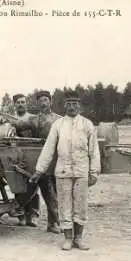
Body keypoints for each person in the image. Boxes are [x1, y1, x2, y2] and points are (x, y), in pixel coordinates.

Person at [30, 91, 100, 250]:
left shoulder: (87, 125)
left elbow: (94, 151)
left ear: (80, 105)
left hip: (82, 171)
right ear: (64, 105)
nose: (72, 107)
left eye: (75, 103)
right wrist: (39, 170)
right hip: (63, 171)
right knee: (65, 205)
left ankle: (79, 238)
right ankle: (68, 238)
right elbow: (48, 149)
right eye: (69, 104)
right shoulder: (58, 125)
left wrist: (94, 172)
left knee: (81, 205)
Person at [3, 91, 62, 233]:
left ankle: (52, 223)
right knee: (42, 190)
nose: (43, 103)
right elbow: (18, 124)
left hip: (56, 158)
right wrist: (4, 122)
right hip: (38, 159)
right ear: (37, 103)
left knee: (53, 192)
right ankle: (18, 211)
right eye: (41, 100)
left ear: (50, 102)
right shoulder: (35, 120)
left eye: (46, 100)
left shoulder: (59, 120)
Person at [10, 93, 40, 226]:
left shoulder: (32, 118)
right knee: (18, 184)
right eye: (18, 102)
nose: (21, 104)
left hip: (31, 153)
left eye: (23, 102)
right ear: (14, 105)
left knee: (33, 184)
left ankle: (32, 216)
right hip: (17, 154)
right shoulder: (11, 119)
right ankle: (21, 216)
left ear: (26, 103)